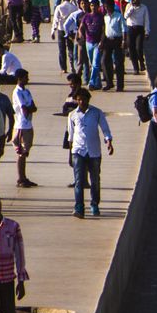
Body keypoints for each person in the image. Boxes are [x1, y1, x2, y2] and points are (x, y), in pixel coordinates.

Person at [66, 89, 113, 218]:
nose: (81, 102)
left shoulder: (97, 113)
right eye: (79, 99)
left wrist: (108, 141)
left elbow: (105, 129)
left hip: (94, 151)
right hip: (78, 151)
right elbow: (70, 136)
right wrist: (70, 153)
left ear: (88, 99)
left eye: (84, 99)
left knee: (95, 180)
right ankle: (79, 207)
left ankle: (94, 204)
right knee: (79, 181)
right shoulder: (72, 115)